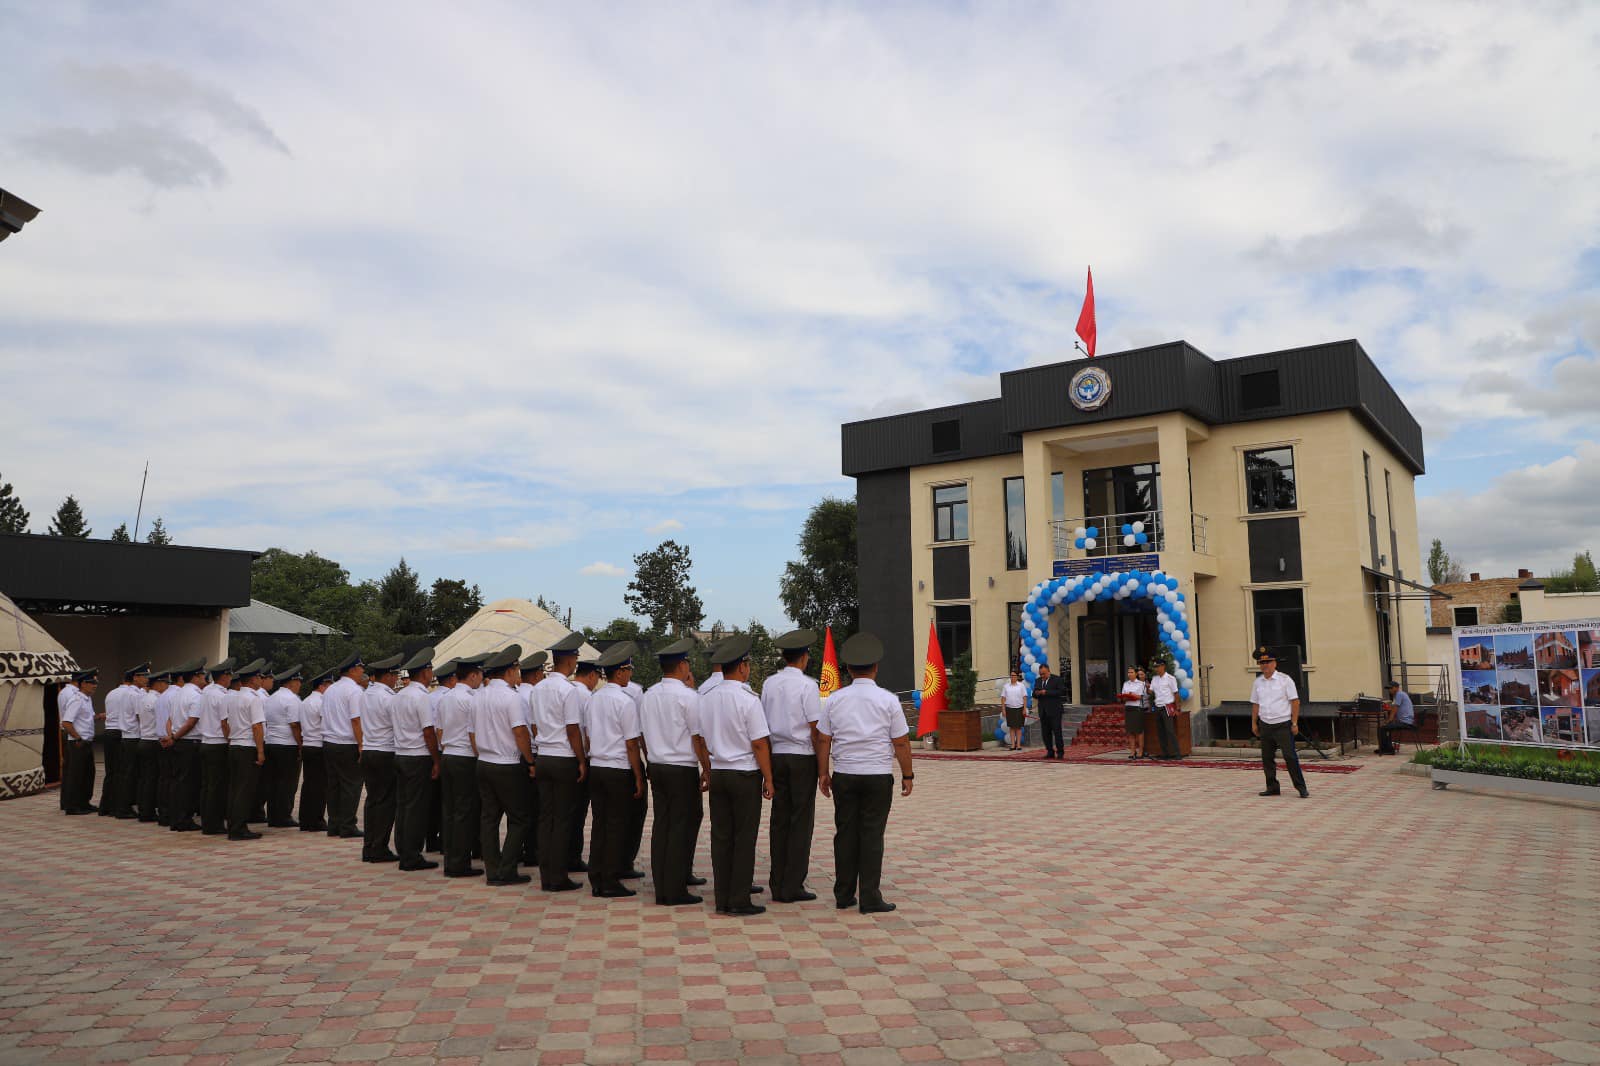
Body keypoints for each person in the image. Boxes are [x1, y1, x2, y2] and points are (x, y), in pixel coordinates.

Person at [817, 633, 914, 914]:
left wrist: (823, 773)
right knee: (872, 835)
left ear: (848, 669)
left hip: (845, 774)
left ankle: (844, 894)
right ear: (876, 667)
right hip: (877, 775)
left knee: (845, 833)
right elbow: (901, 742)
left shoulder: (834, 700)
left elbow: (823, 739)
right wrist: (908, 775)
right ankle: (870, 897)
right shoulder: (888, 700)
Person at [699, 634, 774, 917]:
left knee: (721, 837)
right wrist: (768, 777)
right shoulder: (748, 699)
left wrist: (708, 769)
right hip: (744, 774)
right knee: (743, 837)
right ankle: (739, 899)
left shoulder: (707, 698)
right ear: (742, 667)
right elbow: (759, 743)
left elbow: (700, 740)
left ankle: (722, 898)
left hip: (719, 772)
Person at [639, 638, 710, 906]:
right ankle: (674, 889)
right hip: (681, 768)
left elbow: (642, 734)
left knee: (663, 825)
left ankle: (663, 884)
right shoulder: (689, 697)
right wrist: (707, 769)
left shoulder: (648, 695)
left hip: (657, 765)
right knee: (680, 827)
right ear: (682, 666)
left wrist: (651, 758)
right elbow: (698, 739)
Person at [762, 629, 822, 903]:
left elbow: (763, 724)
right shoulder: (808, 686)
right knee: (800, 822)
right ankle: (792, 884)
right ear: (804, 657)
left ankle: (777, 882)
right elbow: (815, 729)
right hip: (801, 756)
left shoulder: (769, 683)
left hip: (777, 755)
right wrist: (823, 767)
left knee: (779, 820)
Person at [585, 643, 646, 898]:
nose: (630, 674)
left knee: (600, 824)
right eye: (628, 669)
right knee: (616, 825)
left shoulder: (593, 699)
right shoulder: (625, 701)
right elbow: (631, 743)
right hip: (618, 769)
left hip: (597, 766)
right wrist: (638, 775)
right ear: (619, 672)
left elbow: (588, 735)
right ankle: (610, 879)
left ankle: (597, 876)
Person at [531, 633, 588, 892]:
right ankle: (558, 876)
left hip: (544, 756)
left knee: (546, 819)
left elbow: (534, 726)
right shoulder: (568, 690)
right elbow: (572, 729)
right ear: (570, 660)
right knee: (563, 820)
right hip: (563, 758)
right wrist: (581, 760)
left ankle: (547, 875)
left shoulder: (538, 688)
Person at [475, 645, 535, 886]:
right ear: (510, 670)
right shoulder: (512, 697)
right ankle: (507, 869)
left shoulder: (479, 695)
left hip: (484, 761)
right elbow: (520, 732)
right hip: (507, 763)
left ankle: (492, 869)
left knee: (489, 818)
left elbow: (471, 732)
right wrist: (530, 760)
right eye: (517, 669)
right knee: (520, 818)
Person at [392, 648, 441, 871]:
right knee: (416, 809)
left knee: (403, 806)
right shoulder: (421, 697)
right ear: (425, 672)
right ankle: (411, 855)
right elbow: (428, 731)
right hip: (418, 756)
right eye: (430, 670)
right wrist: (436, 760)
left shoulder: (399, 695)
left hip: (401, 754)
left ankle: (404, 849)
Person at [437, 657, 483, 878]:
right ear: (473, 675)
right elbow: (474, 733)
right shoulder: (471, 699)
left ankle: (451, 859)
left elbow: (439, 730)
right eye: (480, 675)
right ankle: (460, 863)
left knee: (450, 811)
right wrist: (478, 756)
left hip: (448, 755)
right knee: (465, 812)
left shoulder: (445, 698)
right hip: (465, 757)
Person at [360, 654, 403, 863]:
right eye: (394, 675)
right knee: (386, 802)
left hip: (369, 749)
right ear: (387, 676)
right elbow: (398, 725)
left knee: (373, 800)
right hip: (385, 751)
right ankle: (379, 847)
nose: (396, 679)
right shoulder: (388, 698)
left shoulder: (366, 694)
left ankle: (369, 846)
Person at [320, 652, 367, 839]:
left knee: (334, 785)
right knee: (351, 785)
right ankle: (347, 825)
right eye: (361, 668)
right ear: (353, 669)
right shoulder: (354, 691)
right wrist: (361, 745)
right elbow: (356, 720)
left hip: (329, 742)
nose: (363, 671)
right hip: (347, 743)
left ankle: (334, 824)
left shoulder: (330, 689)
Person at [1251, 649, 1307, 798]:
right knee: (1267, 758)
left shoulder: (1285, 680)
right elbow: (1256, 704)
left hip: (1282, 724)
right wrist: (1254, 723)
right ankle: (1272, 787)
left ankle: (1301, 787)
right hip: (1265, 724)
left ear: (1275, 663)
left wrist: (1294, 723)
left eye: (1268, 662)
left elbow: (1295, 702)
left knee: (1290, 756)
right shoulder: (1257, 682)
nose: (1265, 665)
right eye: (1262, 662)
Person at [225, 661, 269, 840]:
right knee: (245, 789)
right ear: (252, 680)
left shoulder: (233, 697)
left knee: (235, 789)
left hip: (235, 745)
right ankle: (239, 828)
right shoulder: (253, 698)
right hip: (247, 747)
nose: (261, 679)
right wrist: (260, 751)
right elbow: (257, 726)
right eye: (259, 677)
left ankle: (233, 825)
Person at [198, 658, 237, 835]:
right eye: (230, 676)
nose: (231, 679)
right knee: (217, 787)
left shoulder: (206, 692)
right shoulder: (222, 696)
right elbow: (224, 723)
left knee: (207, 786)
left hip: (206, 742)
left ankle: (208, 822)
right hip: (218, 744)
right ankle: (214, 824)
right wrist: (230, 741)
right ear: (224, 676)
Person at [515, 651, 548, 869]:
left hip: (516, 755)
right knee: (536, 808)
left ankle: (520, 849)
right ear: (536, 675)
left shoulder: (516, 694)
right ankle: (532, 851)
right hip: (532, 753)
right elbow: (532, 730)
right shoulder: (533, 696)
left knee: (520, 807)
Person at [168, 662, 208, 831]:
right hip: (190, 743)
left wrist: (173, 737)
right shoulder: (196, 695)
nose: (205, 678)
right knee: (189, 784)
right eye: (203, 675)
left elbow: (170, 719)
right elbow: (192, 722)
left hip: (179, 742)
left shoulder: (178, 694)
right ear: (196, 676)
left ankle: (176, 818)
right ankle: (184, 819)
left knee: (178, 782)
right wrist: (175, 737)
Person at [263, 665, 304, 827]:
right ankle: (283, 816)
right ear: (291, 682)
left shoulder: (272, 697)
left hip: (271, 743)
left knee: (273, 782)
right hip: (287, 745)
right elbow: (295, 724)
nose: (300, 685)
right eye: (299, 681)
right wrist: (300, 745)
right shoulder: (292, 699)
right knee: (287, 782)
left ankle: (273, 816)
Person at [110, 663, 150, 818]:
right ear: (135, 678)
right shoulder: (134, 694)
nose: (147, 679)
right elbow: (140, 716)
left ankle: (123, 806)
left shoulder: (129, 693)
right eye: (144, 676)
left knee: (127, 773)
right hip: (133, 737)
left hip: (127, 737)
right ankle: (124, 808)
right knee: (130, 775)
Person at [59, 667, 99, 814]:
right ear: (82, 684)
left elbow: (86, 718)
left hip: (87, 741)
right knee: (76, 775)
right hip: (78, 742)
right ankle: (73, 806)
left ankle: (84, 802)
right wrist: (77, 737)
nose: (94, 686)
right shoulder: (76, 700)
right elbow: (66, 722)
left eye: (95, 683)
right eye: (91, 683)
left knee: (88, 774)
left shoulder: (87, 699)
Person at [297, 669, 332, 832]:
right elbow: (326, 723)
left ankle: (305, 819)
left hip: (308, 744)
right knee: (319, 786)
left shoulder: (305, 701)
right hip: (318, 745)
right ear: (322, 686)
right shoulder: (321, 702)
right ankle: (316, 820)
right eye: (329, 684)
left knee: (309, 784)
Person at [135, 670, 167, 822]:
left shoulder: (143, 698)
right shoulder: (158, 700)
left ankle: (144, 810)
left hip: (143, 739)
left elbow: (137, 717)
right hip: (154, 741)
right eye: (165, 683)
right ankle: (149, 812)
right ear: (158, 684)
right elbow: (163, 721)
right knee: (153, 778)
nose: (166, 686)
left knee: (144, 778)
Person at [1032, 664, 1067, 759]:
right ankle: (1050, 751)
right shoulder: (1038, 680)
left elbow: (1061, 691)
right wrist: (1036, 693)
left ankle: (1060, 752)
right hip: (1043, 711)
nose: (1042, 676)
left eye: (1043, 674)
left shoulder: (1057, 679)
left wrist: (1047, 692)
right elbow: (1034, 694)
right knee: (1045, 733)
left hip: (1055, 711)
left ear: (1048, 671)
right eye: (1040, 674)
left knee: (1057, 732)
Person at [1149, 660, 1181, 760]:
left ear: (1163, 666)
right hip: (1158, 707)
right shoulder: (1154, 679)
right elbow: (1150, 691)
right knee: (1160, 732)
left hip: (1167, 707)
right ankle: (1165, 753)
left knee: (1170, 730)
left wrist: (1177, 708)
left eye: (1158, 666)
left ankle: (1177, 753)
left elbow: (1176, 693)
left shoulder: (1170, 678)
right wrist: (1144, 684)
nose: (1156, 669)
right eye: (1155, 667)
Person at [1377, 680, 1415, 755]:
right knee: (1386, 727)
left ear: (1397, 688)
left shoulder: (1399, 694)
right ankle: (1385, 748)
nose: (1389, 690)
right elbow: (1393, 707)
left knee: (1382, 728)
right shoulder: (1400, 694)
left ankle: (1388, 750)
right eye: (1388, 688)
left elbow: (1394, 709)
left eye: (1391, 688)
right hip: (1406, 721)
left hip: (1405, 722)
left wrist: (1389, 720)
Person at [1119, 667, 1148, 759]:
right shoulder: (1126, 683)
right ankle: (1132, 751)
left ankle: (1141, 751)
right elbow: (1123, 696)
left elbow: (1140, 697)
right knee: (1130, 731)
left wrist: (1132, 695)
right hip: (1128, 707)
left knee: (1139, 731)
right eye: (1128, 672)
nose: (1129, 674)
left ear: (1136, 674)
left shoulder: (1141, 684)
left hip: (1137, 708)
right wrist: (1126, 696)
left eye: (1131, 672)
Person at [1001, 670, 1030, 751]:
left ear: (1017, 677)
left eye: (1014, 676)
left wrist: (1024, 709)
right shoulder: (1006, 686)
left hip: (1019, 708)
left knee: (1018, 727)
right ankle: (1013, 745)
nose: (1012, 677)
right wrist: (1003, 709)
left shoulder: (1021, 686)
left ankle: (1018, 745)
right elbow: (1003, 698)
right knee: (1012, 727)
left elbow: (1024, 697)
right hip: (1009, 708)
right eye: (1011, 676)